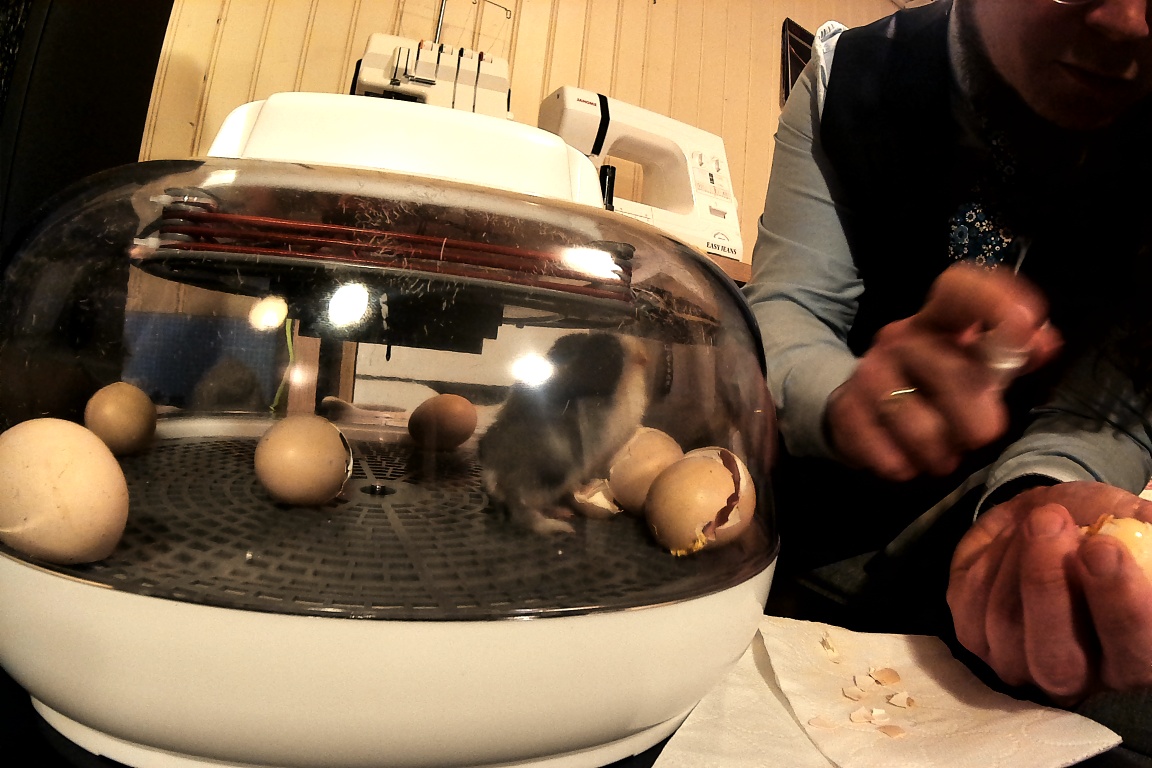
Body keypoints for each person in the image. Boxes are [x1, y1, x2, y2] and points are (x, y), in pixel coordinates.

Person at [745, 0, 1152, 759]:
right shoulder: (846, 79)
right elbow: (789, 308)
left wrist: (1040, 494)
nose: (1128, 22)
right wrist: (848, 399)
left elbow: (1115, 403)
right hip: (804, 537)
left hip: (1005, 567)